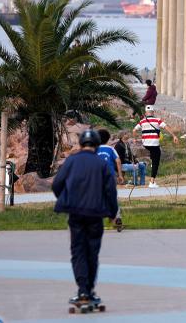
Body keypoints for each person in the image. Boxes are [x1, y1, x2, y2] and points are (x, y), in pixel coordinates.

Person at [52, 129, 118, 306]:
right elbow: (110, 191)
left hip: (76, 214)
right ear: (97, 146)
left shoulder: (72, 161)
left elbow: (57, 184)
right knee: (92, 252)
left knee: (78, 251)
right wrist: (113, 214)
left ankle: (82, 290)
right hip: (96, 214)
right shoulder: (102, 164)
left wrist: (66, 199)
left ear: (81, 144)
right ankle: (89, 290)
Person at [133, 105, 179, 188]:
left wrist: (135, 139)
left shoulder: (142, 121)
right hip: (154, 144)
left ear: (146, 113)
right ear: (153, 112)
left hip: (145, 144)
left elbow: (134, 130)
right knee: (156, 162)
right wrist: (174, 136)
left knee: (152, 155)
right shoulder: (157, 120)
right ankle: (152, 182)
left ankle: (151, 161)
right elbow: (166, 127)